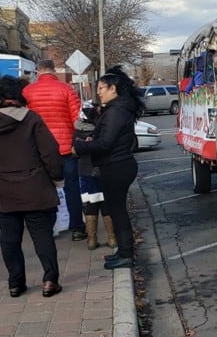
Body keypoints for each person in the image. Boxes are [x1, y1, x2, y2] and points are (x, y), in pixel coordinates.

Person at [0, 75, 64, 298]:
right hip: (34, 187)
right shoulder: (32, 119)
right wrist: (57, 178)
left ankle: (15, 283)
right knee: (42, 236)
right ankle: (50, 280)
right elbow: (50, 152)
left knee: (9, 238)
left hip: (1, 188)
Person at [73, 66, 142, 270]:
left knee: (118, 212)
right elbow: (104, 139)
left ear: (114, 89)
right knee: (115, 210)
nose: (99, 91)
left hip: (117, 167)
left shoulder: (117, 111)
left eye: (102, 87)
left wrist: (80, 146)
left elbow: (105, 143)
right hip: (115, 165)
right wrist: (90, 139)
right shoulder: (116, 109)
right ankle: (122, 252)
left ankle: (126, 255)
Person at [23, 59, 86, 241]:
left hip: (39, 149)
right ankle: (77, 228)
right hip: (66, 147)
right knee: (72, 188)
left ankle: (47, 229)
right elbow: (77, 121)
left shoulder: (27, 92)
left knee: (44, 189)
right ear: (53, 71)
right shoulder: (66, 89)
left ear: (38, 72)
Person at [74, 102, 116, 251]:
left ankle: (91, 240)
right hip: (102, 170)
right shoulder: (102, 130)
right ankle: (112, 238)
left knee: (90, 205)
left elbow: (74, 152)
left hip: (84, 171)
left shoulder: (77, 131)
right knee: (106, 204)